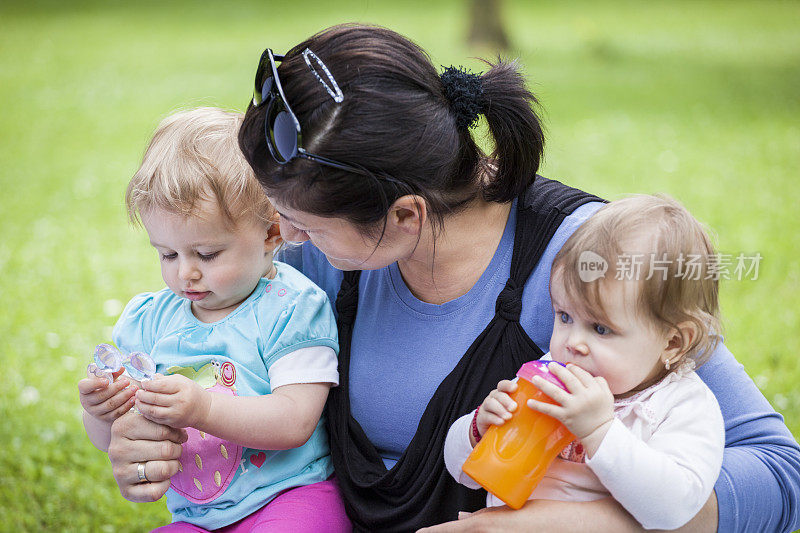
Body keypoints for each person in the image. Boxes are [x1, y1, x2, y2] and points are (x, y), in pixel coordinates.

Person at [105, 25, 800, 532]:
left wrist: (555, 523)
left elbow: (778, 472)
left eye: (304, 226)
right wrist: (129, 434)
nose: (284, 240)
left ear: (404, 214)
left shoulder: (579, 264)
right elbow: (217, 377)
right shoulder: (314, 257)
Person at [78, 107, 350, 532]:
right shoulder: (150, 320)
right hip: (197, 517)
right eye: (167, 254)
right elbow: (116, 440)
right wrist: (101, 413)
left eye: (206, 254)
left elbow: (296, 420)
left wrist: (203, 407)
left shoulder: (292, 307)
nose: (184, 272)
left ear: (271, 234)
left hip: (291, 499)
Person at [444, 195, 725, 530]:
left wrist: (600, 432)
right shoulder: (549, 375)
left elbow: (674, 509)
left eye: (600, 328)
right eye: (564, 316)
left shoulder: (681, 407)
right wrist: (478, 431)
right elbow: (463, 474)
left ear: (673, 342)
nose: (572, 343)